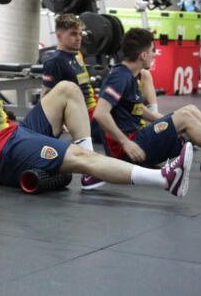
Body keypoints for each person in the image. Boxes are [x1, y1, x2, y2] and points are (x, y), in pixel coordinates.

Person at [0, 21, 193, 198]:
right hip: (5, 157)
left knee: (67, 89)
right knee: (81, 158)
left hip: (15, 136)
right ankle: (164, 179)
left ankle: (89, 167)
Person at [93, 27, 201, 173]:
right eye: (153, 51)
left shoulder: (131, 76)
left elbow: (139, 110)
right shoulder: (119, 77)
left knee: (189, 110)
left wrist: (170, 122)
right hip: (128, 152)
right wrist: (126, 143)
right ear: (143, 56)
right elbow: (100, 114)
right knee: (184, 117)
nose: (155, 54)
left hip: (138, 140)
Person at [41, 13, 159, 189]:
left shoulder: (77, 56)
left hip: (94, 106)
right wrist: (59, 121)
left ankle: (160, 123)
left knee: (144, 77)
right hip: (86, 117)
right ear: (59, 35)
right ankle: (92, 170)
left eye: (80, 34)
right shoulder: (54, 61)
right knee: (128, 116)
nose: (79, 38)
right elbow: (46, 95)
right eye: (73, 34)